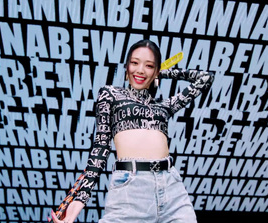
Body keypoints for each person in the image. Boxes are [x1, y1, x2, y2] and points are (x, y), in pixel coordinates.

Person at [49, 39, 214, 223]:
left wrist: (163, 73)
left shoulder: (163, 107)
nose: (141, 70)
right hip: (131, 188)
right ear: (126, 66)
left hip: (172, 189)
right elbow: (99, 151)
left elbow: (205, 78)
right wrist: (75, 208)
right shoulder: (110, 94)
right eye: (134, 63)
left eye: (149, 66)